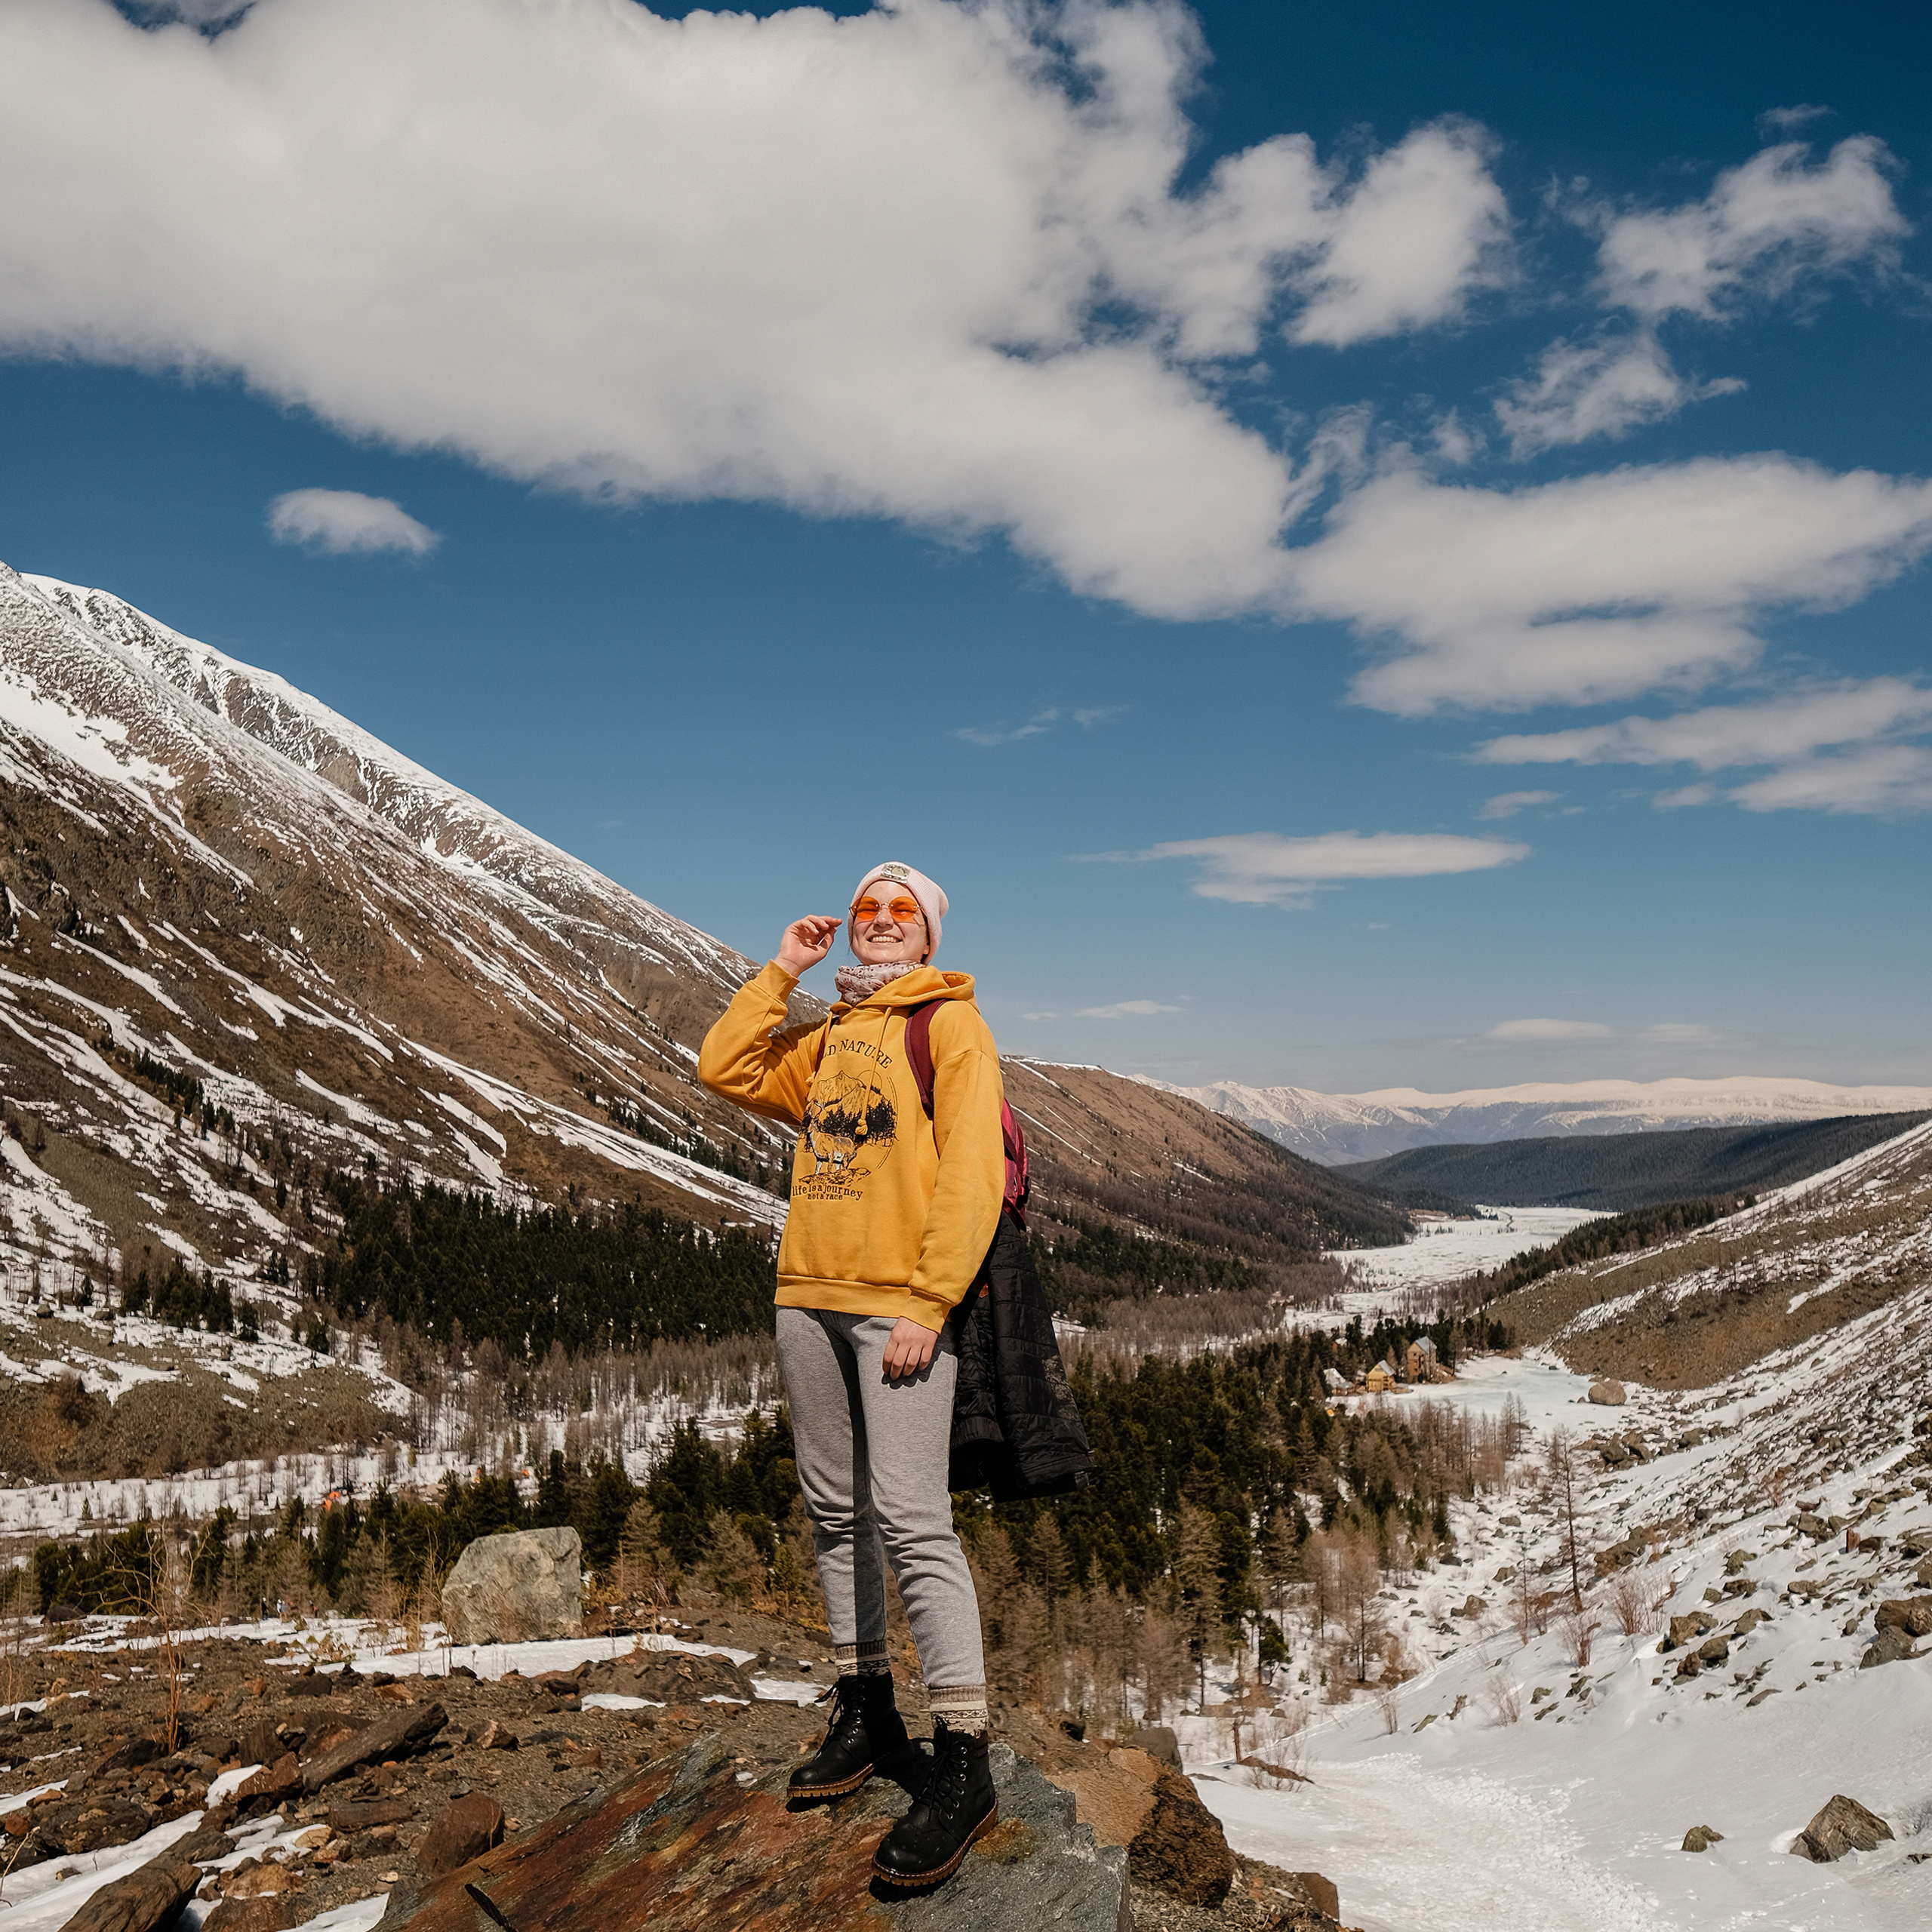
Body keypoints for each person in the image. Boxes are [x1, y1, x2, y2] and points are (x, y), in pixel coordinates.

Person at [698, 861, 1003, 1888]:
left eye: (898, 913)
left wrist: (929, 1302)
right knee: (835, 1514)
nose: (877, 923)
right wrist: (782, 969)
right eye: (866, 910)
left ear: (928, 937)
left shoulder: (948, 1027)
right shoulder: (826, 1035)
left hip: (896, 1308)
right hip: (807, 1296)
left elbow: (973, 1173)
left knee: (914, 1519)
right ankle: (866, 1710)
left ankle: (964, 1755)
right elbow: (725, 1068)